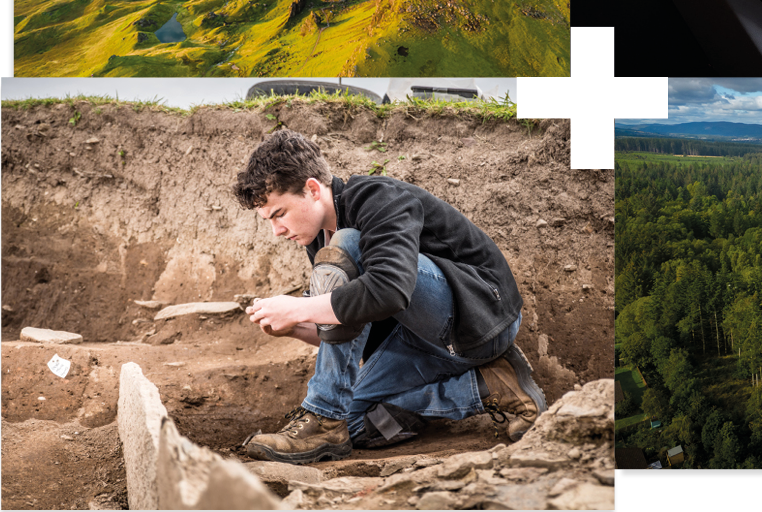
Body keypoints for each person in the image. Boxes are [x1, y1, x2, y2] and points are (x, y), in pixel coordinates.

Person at [233, 129, 546, 465]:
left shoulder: (377, 198)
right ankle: (488, 386)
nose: (276, 231)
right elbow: (353, 327)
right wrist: (294, 326)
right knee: (352, 422)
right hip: (419, 339)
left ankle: (322, 417)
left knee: (348, 243)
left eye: (279, 214)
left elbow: (388, 291)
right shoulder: (319, 240)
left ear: (312, 189)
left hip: (481, 321)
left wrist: (299, 308)